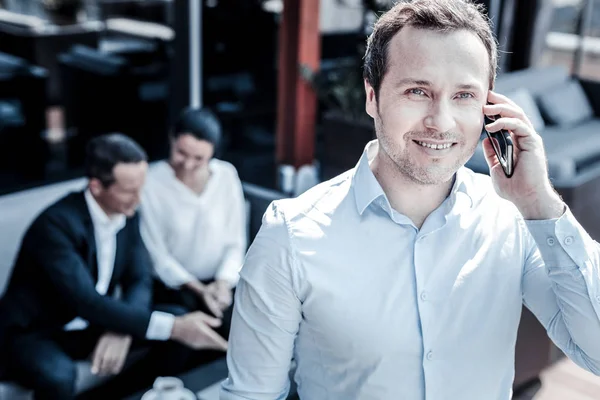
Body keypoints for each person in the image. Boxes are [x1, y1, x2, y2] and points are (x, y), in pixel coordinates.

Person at [220, 1, 600, 399]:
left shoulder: (515, 219)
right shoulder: (290, 236)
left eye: (464, 95)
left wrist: (539, 202)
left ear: (489, 109)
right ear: (372, 96)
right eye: (418, 91)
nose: (441, 121)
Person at [0, 133, 227, 400]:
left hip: (90, 323)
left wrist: (122, 328)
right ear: (96, 187)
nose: (139, 199)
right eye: (130, 191)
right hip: (34, 332)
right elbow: (85, 300)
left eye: (141, 188)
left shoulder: (127, 214)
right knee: (60, 377)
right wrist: (175, 327)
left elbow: (139, 278)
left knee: (175, 316)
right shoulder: (55, 226)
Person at [140, 107, 246, 338]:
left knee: (246, 331)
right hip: (175, 287)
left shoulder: (227, 175)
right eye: (181, 153)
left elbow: (235, 242)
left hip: (221, 283)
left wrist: (223, 284)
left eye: (199, 158)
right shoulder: (150, 182)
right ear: (172, 139)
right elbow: (157, 255)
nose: (187, 164)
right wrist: (200, 290)